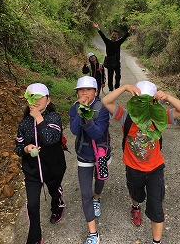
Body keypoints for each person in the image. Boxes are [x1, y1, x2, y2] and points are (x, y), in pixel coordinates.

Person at [102, 80, 180, 244]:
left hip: (155, 168)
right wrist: (126, 87)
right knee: (137, 195)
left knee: (156, 207)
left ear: (154, 102)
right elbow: (106, 101)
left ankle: (156, 241)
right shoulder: (126, 116)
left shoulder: (159, 116)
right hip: (133, 168)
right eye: (141, 100)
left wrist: (168, 97)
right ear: (134, 100)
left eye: (149, 101)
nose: (144, 105)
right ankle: (135, 207)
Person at [15, 83, 66, 244]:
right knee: (32, 205)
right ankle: (35, 238)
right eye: (32, 98)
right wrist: (25, 149)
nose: (35, 101)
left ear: (48, 100)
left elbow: (50, 139)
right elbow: (17, 147)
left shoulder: (54, 117)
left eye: (39, 97)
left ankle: (57, 206)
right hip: (32, 171)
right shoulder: (24, 123)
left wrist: (38, 117)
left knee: (54, 192)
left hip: (53, 168)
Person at [69, 76, 111, 244]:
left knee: (99, 181)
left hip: (101, 153)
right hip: (84, 154)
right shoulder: (74, 108)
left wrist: (87, 117)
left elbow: (97, 134)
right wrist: (81, 111)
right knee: (85, 192)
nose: (84, 92)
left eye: (88, 89)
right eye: (80, 89)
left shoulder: (102, 108)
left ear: (96, 91)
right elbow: (73, 130)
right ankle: (93, 233)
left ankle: (97, 198)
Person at [93, 22, 135, 91]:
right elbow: (102, 35)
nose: (114, 36)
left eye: (116, 35)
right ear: (111, 35)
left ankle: (117, 88)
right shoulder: (107, 41)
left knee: (118, 76)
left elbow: (125, 36)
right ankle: (111, 90)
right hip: (109, 62)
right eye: (113, 34)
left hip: (117, 62)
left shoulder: (118, 42)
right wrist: (97, 28)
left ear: (117, 36)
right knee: (110, 77)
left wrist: (130, 30)